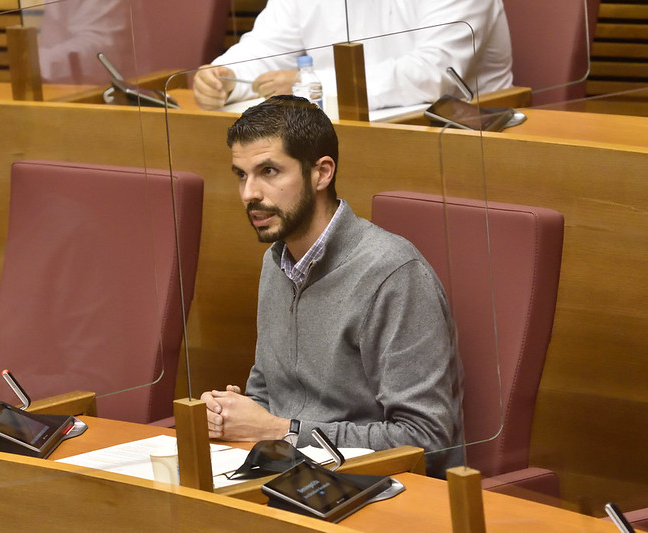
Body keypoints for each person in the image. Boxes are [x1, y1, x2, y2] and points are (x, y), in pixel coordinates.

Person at [201, 95, 463, 477]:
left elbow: (427, 439)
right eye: (241, 174)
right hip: (289, 478)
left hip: (374, 492)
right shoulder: (276, 262)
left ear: (321, 173)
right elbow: (267, 394)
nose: (248, 194)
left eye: (269, 171)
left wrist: (282, 431)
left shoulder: (393, 273)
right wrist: (230, 415)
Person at [193, 0, 513, 111]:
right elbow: (268, 47)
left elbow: (431, 75)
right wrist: (226, 77)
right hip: (337, 139)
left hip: (462, 143)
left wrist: (312, 87)